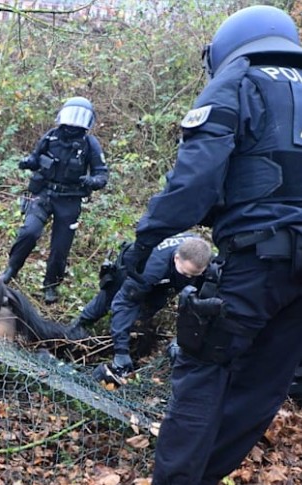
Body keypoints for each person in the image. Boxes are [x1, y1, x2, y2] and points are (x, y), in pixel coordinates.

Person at [114, 6, 302, 483]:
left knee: (201, 366)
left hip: (258, 259)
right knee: (262, 386)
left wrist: (144, 244)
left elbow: (193, 184)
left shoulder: (238, 81)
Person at [0, 97, 108, 303]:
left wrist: (92, 181)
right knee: (29, 232)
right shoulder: (51, 136)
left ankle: (51, 285)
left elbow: (102, 174)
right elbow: (36, 157)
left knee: (60, 247)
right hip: (44, 194)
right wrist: (28, 163)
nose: (73, 122)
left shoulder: (89, 144)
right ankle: (12, 269)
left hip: (70, 200)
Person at [82, 235, 213, 385]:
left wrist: (182, 339)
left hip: (166, 281)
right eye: (185, 274)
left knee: (148, 310)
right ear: (177, 258)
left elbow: (205, 301)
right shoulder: (151, 268)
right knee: (109, 299)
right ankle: (81, 326)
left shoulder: (203, 258)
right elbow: (125, 304)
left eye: (193, 275)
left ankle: (135, 345)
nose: (189, 278)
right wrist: (121, 351)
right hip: (132, 270)